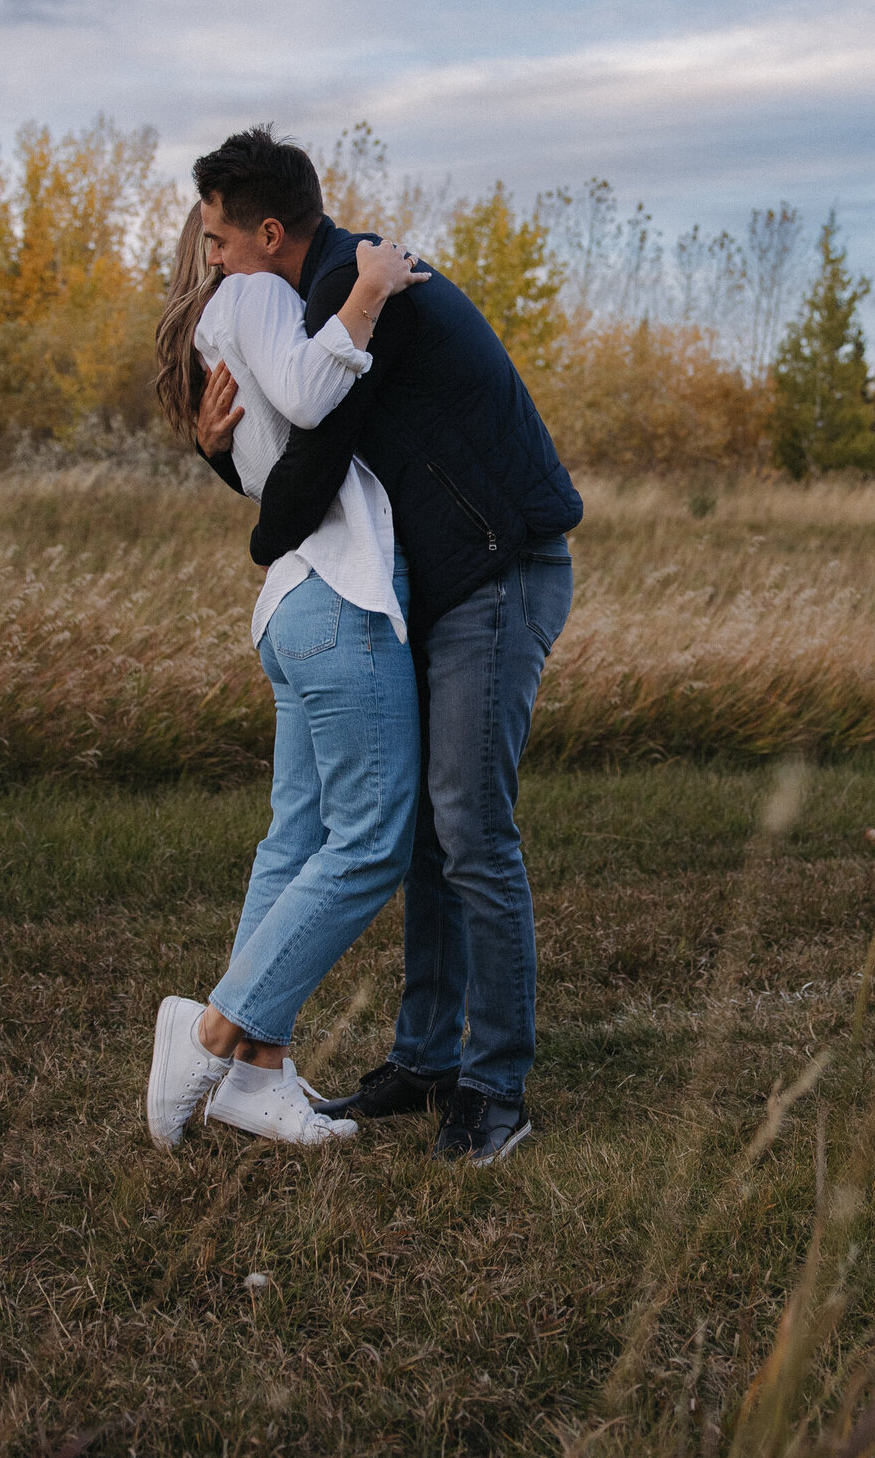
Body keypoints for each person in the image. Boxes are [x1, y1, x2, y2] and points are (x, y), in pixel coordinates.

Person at [193, 125, 582, 1166]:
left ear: (270, 233)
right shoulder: (325, 293)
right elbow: (291, 448)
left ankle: (494, 1088)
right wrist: (219, 452)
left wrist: (260, 536)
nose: (213, 265)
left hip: (498, 570)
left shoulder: (363, 291)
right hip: (436, 583)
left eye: (220, 243)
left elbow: (308, 480)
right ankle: (423, 1060)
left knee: (469, 826)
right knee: (419, 831)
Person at [145, 199, 427, 1152]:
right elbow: (314, 401)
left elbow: (280, 453)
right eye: (230, 236)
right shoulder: (259, 294)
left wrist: (215, 458)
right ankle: (215, 1033)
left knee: (299, 832)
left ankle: (256, 1077)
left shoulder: (221, 328)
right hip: (340, 598)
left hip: (294, 604)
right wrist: (370, 294)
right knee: (370, 840)